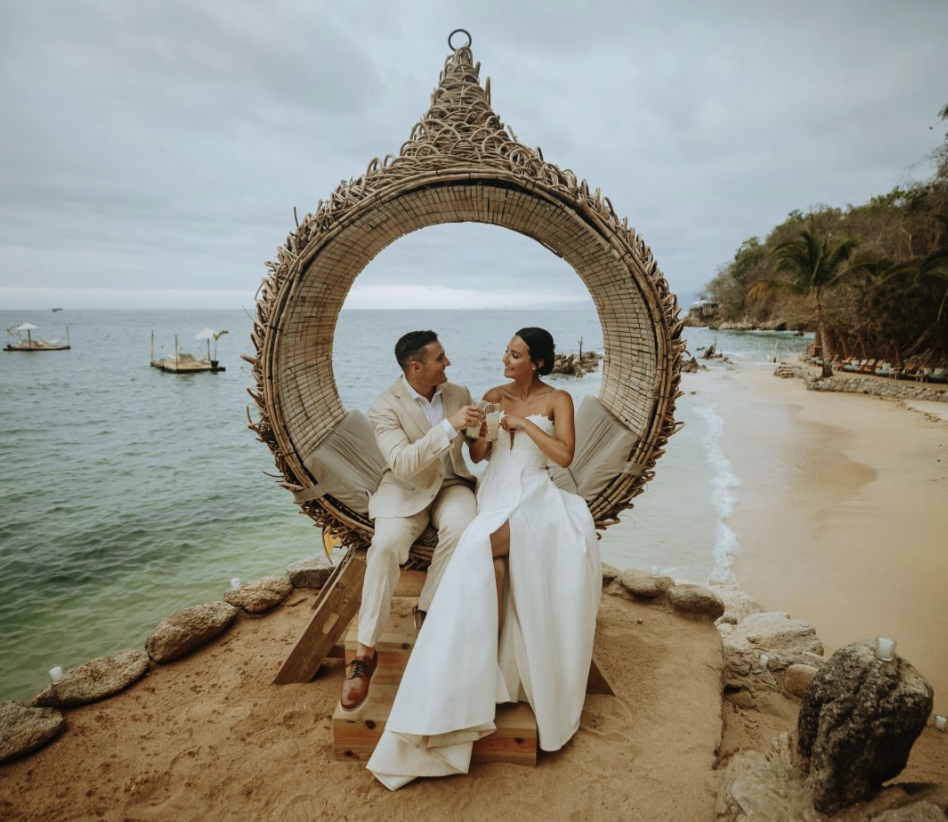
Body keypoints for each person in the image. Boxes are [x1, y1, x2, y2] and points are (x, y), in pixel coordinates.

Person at [367, 327, 602, 789]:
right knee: (492, 567)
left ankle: (446, 656)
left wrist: (525, 425)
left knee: (475, 549)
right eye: (506, 352)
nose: (505, 359)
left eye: (514, 354)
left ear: (536, 362)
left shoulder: (558, 401)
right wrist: (482, 433)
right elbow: (477, 457)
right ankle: (482, 677)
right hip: (495, 492)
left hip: (535, 494)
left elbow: (565, 457)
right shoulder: (492, 395)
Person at [340, 330, 486, 712]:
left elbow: (476, 447)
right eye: (440, 358)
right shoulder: (384, 406)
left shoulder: (459, 392)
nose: (448, 363)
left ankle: (425, 609)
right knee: (385, 546)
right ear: (416, 366)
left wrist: (486, 432)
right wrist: (449, 426)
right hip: (404, 492)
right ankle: (364, 654)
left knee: (463, 527)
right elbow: (403, 464)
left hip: (452, 485)